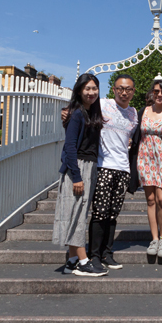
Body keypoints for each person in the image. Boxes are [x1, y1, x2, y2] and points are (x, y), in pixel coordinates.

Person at [53, 74, 108, 277]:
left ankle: (72, 260)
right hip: (78, 167)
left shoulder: (89, 112)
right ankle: (84, 262)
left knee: (78, 212)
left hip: (88, 166)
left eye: (94, 88)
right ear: (78, 90)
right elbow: (69, 146)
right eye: (87, 89)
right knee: (77, 214)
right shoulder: (76, 114)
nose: (91, 92)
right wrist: (76, 176)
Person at [88, 74, 139, 270]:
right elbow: (79, 108)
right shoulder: (101, 104)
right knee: (99, 213)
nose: (124, 92)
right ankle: (94, 255)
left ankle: (107, 254)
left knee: (112, 214)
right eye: (120, 88)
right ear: (114, 89)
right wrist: (66, 112)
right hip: (104, 166)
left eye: (128, 89)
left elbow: (131, 139)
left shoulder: (134, 114)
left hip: (123, 169)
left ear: (133, 92)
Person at [129, 78, 162, 259]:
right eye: (156, 91)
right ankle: (154, 239)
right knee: (150, 199)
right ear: (151, 93)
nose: (159, 95)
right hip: (145, 157)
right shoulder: (143, 111)